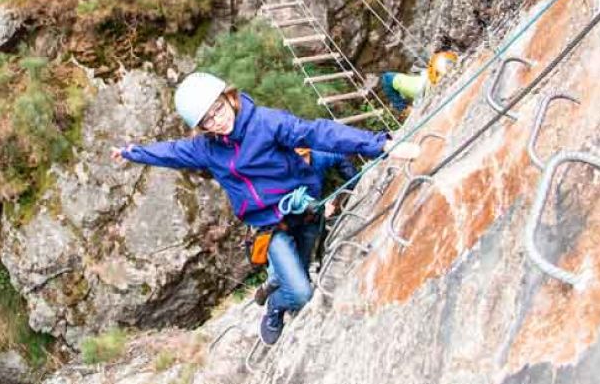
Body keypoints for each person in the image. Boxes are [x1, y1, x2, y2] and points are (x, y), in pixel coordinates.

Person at [110, 72, 418, 345]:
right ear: (202, 127)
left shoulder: (267, 123)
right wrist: (132, 153)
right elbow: (171, 152)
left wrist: (380, 145)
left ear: (228, 97)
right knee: (301, 293)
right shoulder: (206, 149)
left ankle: (275, 280)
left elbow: (318, 133)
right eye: (208, 119)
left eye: (218, 108)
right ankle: (275, 306)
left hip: (305, 211)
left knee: (306, 262)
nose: (218, 119)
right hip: (269, 226)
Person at [378, 50, 459, 113]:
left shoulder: (421, 86)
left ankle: (402, 107)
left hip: (421, 86)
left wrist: (403, 107)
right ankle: (402, 106)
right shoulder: (429, 78)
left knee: (387, 78)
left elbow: (387, 78)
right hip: (423, 83)